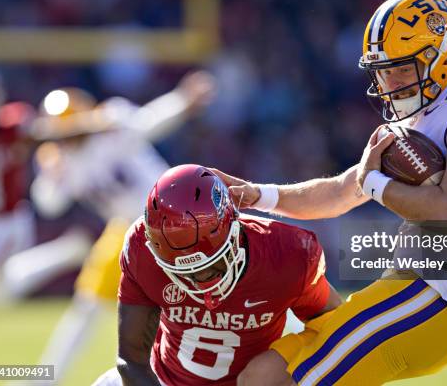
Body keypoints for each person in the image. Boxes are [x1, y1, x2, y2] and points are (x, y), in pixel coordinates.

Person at [218, 0, 447, 386]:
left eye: (399, 69)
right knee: (263, 373)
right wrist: (257, 195)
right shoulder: (410, 125)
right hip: (406, 288)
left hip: (437, 294)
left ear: (440, 55)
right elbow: (341, 191)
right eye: (382, 71)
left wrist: (376, 184)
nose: (389, 83)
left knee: (277, 381)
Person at [11, 71, 216, 385]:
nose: (66, 138)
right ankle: (44, 379)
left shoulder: (111, 121)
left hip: (170, 225)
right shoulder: (61, 158)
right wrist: (51, 176)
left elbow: (148, 121)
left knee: (187, 308)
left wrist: (183, 100)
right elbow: (49, 204)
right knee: (87, 306)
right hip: (124, 230)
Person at [92, 164, 341, 385]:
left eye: (211, 266)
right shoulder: (141, 248)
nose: (200, 282)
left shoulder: (287, 254)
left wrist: (279, 372)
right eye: (185, 273)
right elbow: (130, 360)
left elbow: (333, 326)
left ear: (234, 230)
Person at [0, 60, 37, 301]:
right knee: (1, 295)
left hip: (7, 223)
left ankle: (66, 252)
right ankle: (66, 251)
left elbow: (34, 123)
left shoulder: (10, 127)